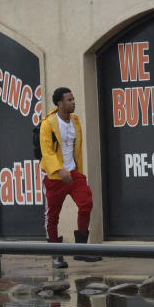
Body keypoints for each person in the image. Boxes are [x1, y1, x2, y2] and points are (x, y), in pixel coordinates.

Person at [38, 87, 101, 269]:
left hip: (73, 173)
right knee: (52, 216)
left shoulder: (75, 121)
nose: (73, 102)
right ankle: (56, 255)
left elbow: (75, 147)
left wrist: (74, 170)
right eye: (69, 100)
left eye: (73, 99)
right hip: (54, 176)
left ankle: (81, 250)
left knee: (86, 203)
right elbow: (47, 151)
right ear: (59, 103)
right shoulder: (48, 124)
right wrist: (59, 169)